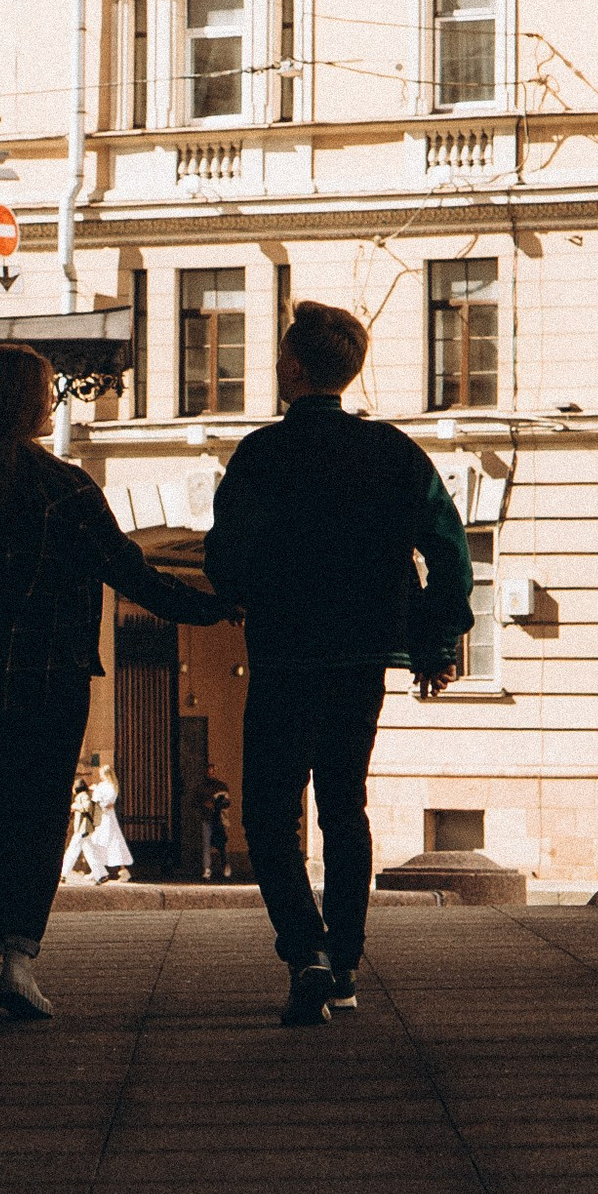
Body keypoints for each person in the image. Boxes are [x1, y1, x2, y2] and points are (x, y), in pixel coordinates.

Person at [0, 346, 230, 1018]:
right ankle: (18, 959)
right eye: (45, 392)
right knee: (41, 817)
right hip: (53, 676)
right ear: (28, 403)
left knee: (3, 812)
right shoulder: (64, 488)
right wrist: (216, 605)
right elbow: (134, 574)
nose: (53, 403)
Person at [204, 299, 471, 1026]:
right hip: (362, 658)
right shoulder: (394, 452)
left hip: (286, 655)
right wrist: (436, 642)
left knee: (268, 814)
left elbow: (227, 556)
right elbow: (449, 549)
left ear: (291, 368)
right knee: (342, 806)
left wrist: (240, 591)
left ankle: (306, 951)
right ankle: (345, 963)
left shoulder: (262, 454)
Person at [83, 756, 135, 881]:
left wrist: (98, 800)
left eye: (102, 774)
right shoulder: (102, 785)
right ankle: (97, 870)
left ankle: (123, 871)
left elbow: (108, 803)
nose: (100, 776)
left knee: (113, 842)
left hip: (107, 819)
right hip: (100, 818)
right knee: (96, 842)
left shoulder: (112, 786)